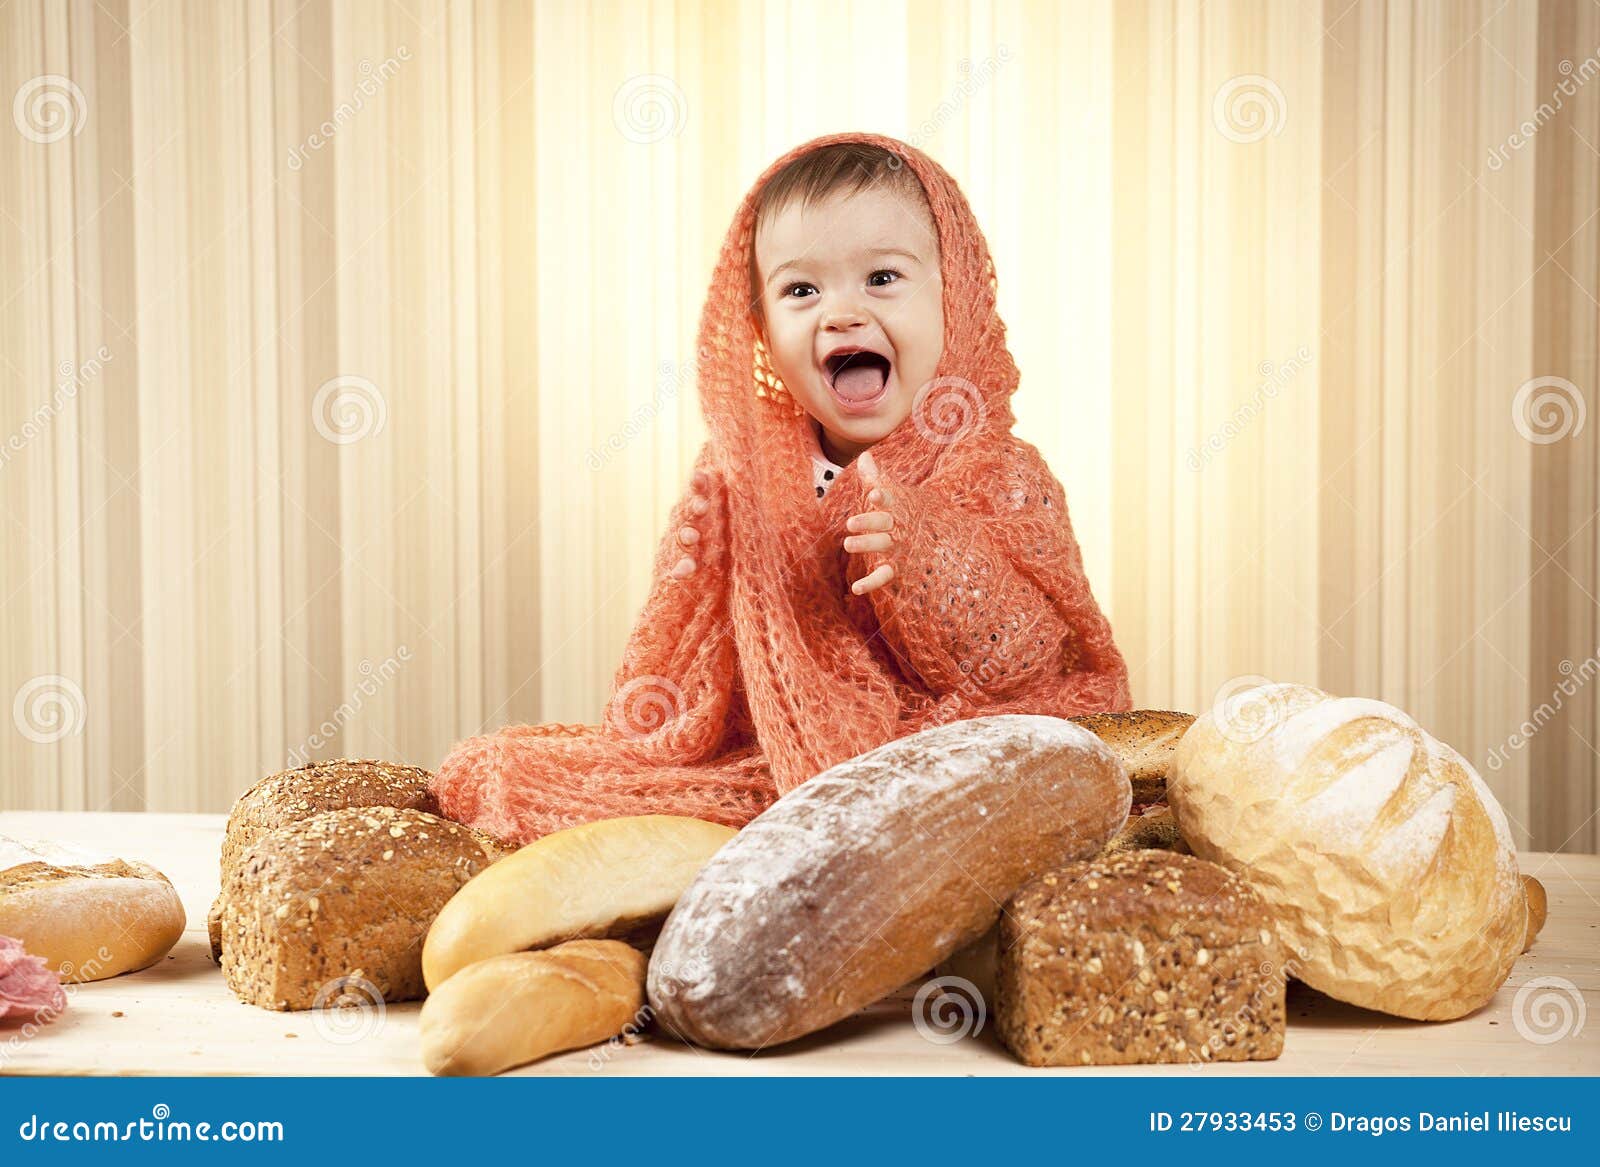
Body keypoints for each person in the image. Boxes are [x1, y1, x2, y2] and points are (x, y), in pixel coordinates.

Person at [430, 131, 1132, 845]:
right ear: (760, 328)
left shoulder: (998, 471)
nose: (842, 313)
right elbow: (673, 694)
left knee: (990, 783)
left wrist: (927, 552)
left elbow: (1030, 665)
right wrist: (698, 577)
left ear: (957, 295)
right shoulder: (745, 475)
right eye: (802, 289)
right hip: (776, 747)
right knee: (507, 770)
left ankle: (854, 817)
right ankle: (813, 810)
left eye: (882, 278)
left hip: (950, 740)